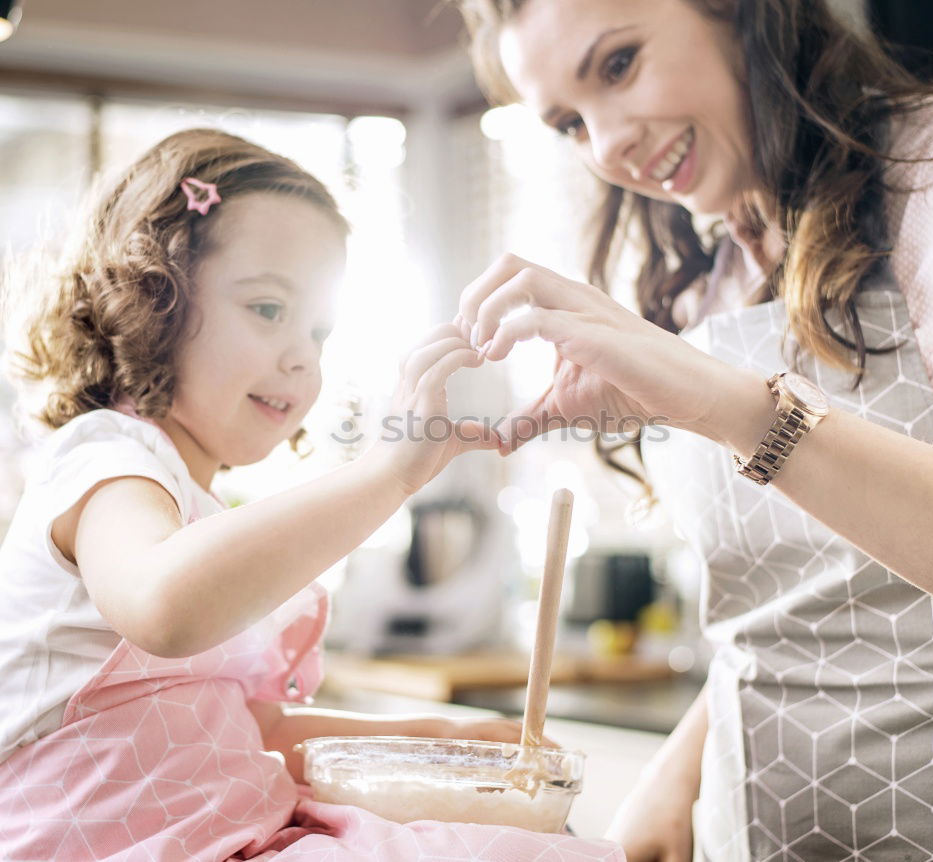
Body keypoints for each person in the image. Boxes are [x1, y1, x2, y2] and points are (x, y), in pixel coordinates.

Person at [451, 0, 933, 859]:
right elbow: (798, 603)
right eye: (568, 122)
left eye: (619, 64)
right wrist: (677, 777)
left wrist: (732, 408)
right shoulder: (715, 280)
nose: (608, 144)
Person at [0, 129, 623, 862]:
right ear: (153, 301)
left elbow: (257, 732)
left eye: (321, 330)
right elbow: (163, 607)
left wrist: (446, 737)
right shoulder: (106, 461)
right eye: (268, 309)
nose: (302, 356)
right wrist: (384, 474)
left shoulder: (187, 502)